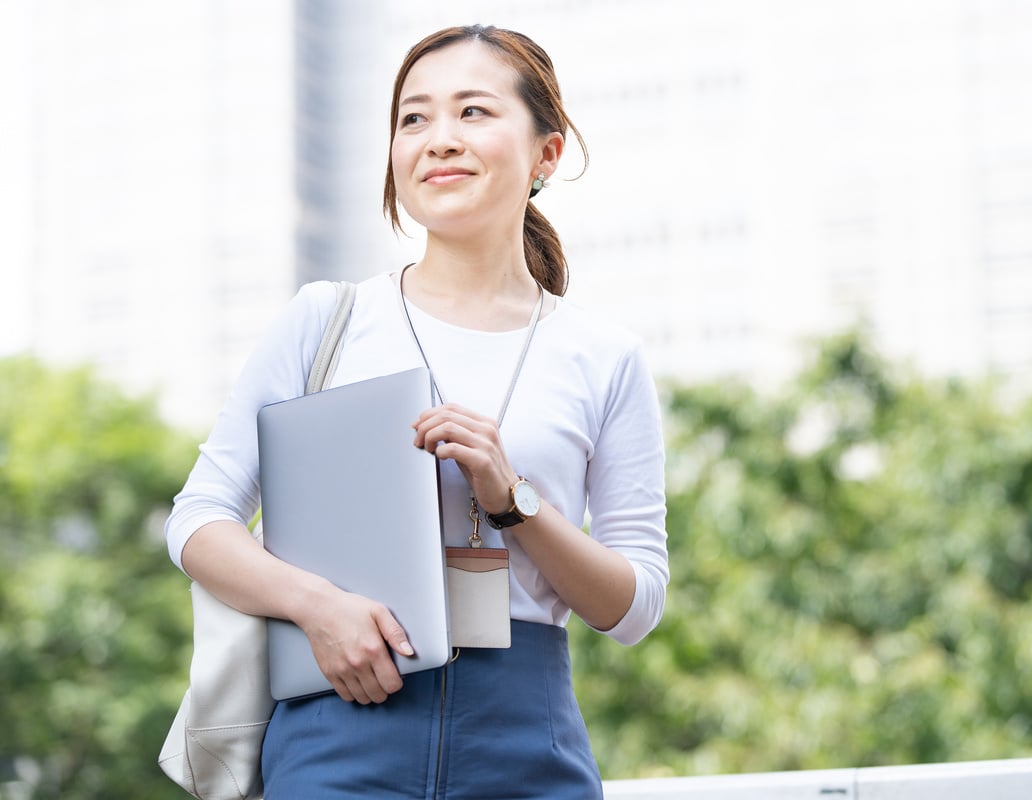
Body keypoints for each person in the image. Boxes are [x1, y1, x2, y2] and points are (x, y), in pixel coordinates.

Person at [164, 23, 669, 799]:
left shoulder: (604, 356)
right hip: (338, 725)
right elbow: (199, 520)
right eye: (413, 118)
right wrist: (318, 607)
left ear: (547, 153)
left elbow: (635, 605)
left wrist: (514, 501)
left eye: (473, 112)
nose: (439, 139)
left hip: (528, 746)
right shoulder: (325, 319)